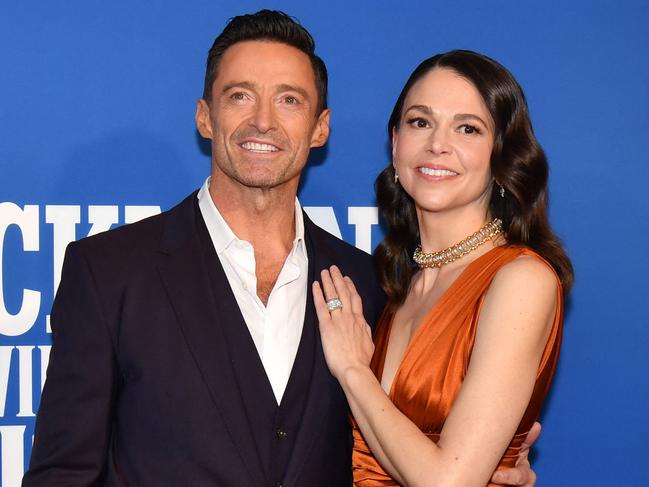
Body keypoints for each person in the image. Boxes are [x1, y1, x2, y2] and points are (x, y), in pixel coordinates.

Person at [23, 11, 538, 487]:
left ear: (320, 128)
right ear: (205, 117)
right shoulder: (109, 272)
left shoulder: (371, 285)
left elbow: (401, 449)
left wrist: (487, 468)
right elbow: (62, 473)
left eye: (289, 99)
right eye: (241, 95)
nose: (264, 121)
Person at [313, 50, 573, 486]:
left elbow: (447, 482)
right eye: (420, 122)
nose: (438, 143)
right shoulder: (395, 286)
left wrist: (354, 371)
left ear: (502, 154)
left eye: (468, 128)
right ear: (395, 143)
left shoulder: (521, 280)